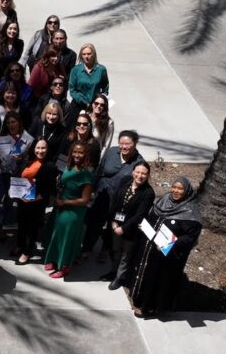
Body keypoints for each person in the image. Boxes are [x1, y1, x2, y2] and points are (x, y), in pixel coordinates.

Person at [131, 177, 202, 318]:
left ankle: (151, 308)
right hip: (152, 249)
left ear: (187, 191)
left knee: (160, 280)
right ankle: (140, 300)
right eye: (174, 187)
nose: (175, 191)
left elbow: (190, 237)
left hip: (169, 255)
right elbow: (153, 216)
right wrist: (145, 226)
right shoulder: (164, 200)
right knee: (147, 275)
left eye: (180, 189)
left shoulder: (191, 211)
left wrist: (170, 244)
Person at [82, 130, 146, 260]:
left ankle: (105, 249)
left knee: (114, 225)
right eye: (121, 143)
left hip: (120, 202)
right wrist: (91, 189)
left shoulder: (139, 162)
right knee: (94, 223)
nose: (124, 147)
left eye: (127, 144)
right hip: (102, 194)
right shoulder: (112, 152)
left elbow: (140, 184)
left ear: (135, 143)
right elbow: (99, 170)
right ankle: (86, 249)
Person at [43, 142, 95, 279]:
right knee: (57, 234)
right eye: (75, 152)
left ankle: (64, 267)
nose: (77, 155)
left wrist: (65, 202)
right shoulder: (68, 166)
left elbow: (85, 200)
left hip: (74, 210)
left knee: (67, 238)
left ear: (86, 154)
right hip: (60, 206)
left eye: (81, 152)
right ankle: (54, 259)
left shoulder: (87, 174)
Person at [103, 162, 155, 290]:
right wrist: (113, 221)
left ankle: (119, 278)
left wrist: (123, 228)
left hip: (131, 230)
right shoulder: (125, 182)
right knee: (115, 251)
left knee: (125, 256)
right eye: (138, 172)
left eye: (144, 173)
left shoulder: (148, 193)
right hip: (116, 224)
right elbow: (115, 201)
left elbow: (139, 215)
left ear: (148, 175)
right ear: (133, 172)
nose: (140, 176)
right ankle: (112, 272)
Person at [12, 139, 58, 265]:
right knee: (21, 224)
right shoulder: (27, 160)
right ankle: (20, 245)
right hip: (22, 199)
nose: (40, 151)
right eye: (38, 148)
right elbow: (18, 176)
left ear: (48, 149)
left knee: (32, 228)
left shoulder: (50, 166)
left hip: (37, 202)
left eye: (43, 148)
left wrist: (32, 198)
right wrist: (17, 193)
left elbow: (48, 190)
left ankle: (27, 252)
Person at [67, 43, 109, 123]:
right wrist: (83, 101)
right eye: (84, 54)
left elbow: (105, 88)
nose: (86, 56)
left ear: (94, 54)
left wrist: (100, 101)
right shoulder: (76, 70)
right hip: (78, 105)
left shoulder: (101, 70)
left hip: (95, 106)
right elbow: (72, 90)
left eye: (89, 54)